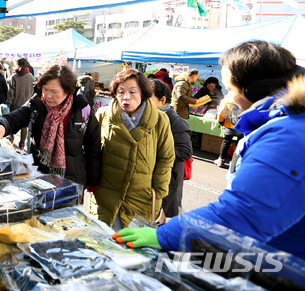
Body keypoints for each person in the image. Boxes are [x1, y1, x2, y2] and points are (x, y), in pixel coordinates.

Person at [113, 41, 305, 260]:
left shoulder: (286, 136)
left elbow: (241, 215)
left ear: (253, 89)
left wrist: (164, 235)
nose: (228, 97)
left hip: (285, 264)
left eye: (230, 89)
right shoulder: (289, 124)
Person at [0, 63, 102, 187]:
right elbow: (14, 118)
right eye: (45, 89)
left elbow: (93, 148)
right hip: (38, 177)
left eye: (54, 91)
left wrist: (92, 181)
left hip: (72, 180)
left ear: (68, 90)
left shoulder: (82, 109)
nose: (47, 96)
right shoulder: (37, 104)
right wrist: (0, 124)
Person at [94, 69, 174, 230]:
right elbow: (93, 153)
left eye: (132, 92)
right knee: (103, 246)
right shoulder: (103, 115)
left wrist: (158, 193)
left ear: (143, 93)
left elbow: (166, 158)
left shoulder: (160, 120)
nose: (126, 97)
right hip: (106, 196)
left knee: (133, 250)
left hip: (142, 199)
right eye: (121, 91)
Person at [150, 79, 193, 219]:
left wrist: (153, 153)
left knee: (158, 217)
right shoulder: (147, 117)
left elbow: (185, 151)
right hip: (150, 177)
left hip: (168, 178)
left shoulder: (175, 121)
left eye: (147, 97)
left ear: (162, 100)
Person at [7, 58, 36, 150]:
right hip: (27, 105)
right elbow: (33, 91)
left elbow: (10, 92)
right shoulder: (31, 76)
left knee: (13, 122)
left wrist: (8, 103)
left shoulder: (14, 76)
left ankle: (11, 137)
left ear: (17, 65)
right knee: (24, 125)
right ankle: (22, 143)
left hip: (15, 104)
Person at [213, 93, 244, 167]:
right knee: (239, 143)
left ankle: (221, 159)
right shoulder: (245, 98)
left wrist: (220, 121)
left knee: (226, 142)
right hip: (241, 125)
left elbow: (222, 112)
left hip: (229, 124)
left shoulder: (228, 99)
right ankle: (234, 161)